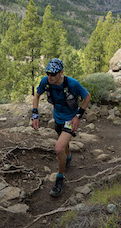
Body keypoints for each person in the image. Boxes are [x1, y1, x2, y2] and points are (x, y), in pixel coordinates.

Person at [31, 58, 91, 197]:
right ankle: (68, 156)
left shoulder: (72, 83)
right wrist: (35, 113)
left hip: (70, 119)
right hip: (57, 117)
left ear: (61, 72)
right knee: (63, 146)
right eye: (48, 73)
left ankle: (60, 178)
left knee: (58, 148)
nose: (50, 76)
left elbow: (87, 96)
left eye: (53, 74)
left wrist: (78, 116)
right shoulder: (46, 81)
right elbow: (37, 94)